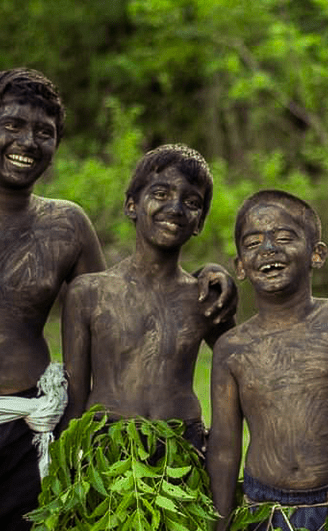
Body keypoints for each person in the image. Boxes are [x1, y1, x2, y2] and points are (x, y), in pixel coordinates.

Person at [0, 68, 233, 530]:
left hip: (27, 440)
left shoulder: (66, 226)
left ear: (55, 147)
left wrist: (207, 277)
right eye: (13, 125)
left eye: (44, 133)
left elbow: (125, 311)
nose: (28, 142)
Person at [208, 190, 328, 531]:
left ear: (317, 254)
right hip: (265, 511)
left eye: (283, 238)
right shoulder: (232, 347)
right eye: (252, 244)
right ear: (240, 267)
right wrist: (220, 523)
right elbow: (223, 448)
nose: (268, 250)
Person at [59, 143, 235, 452]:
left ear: (200, 223)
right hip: (106, 449)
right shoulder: (88, 293)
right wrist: (63, 467)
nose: (176, 208)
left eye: (191, 201)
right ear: (131, 205)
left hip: (182, 448)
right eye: (161, 194)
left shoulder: (203, 296)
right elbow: (74, 397)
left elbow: (245, 366)